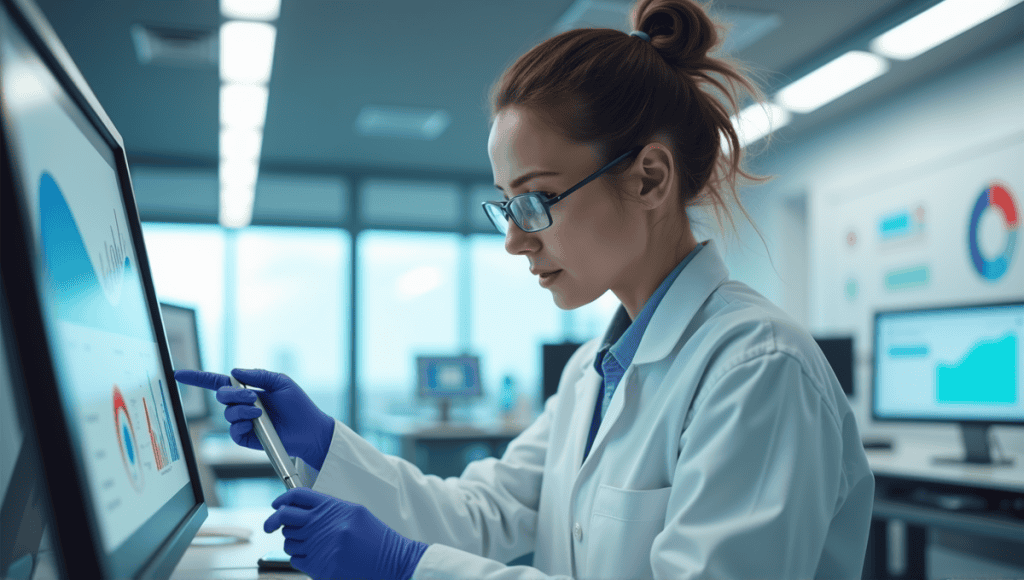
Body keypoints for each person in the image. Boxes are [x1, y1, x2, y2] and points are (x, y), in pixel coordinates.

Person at [176, 0, 875, 578]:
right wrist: (325, 443)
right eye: (507, 206)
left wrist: (408, 567)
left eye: (537, 200)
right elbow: (482, 514)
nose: (515, 239)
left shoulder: (757, 370)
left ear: (650, 179)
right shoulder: (590, 375)